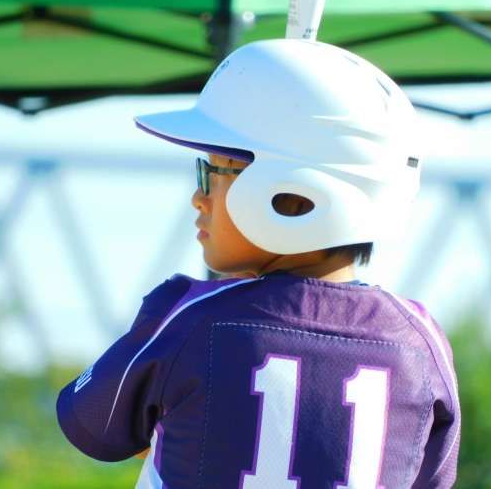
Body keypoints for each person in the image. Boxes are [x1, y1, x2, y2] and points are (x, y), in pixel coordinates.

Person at [57, 39, 460, 489]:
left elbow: (99, 430)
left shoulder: (189, 315)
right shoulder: (421, 343)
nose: (198, 198)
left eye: (211, 174)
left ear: (292, 197)